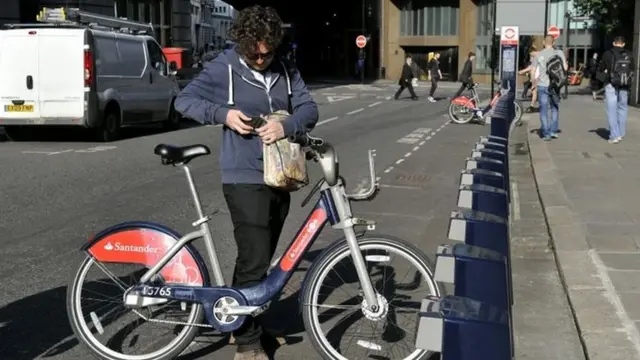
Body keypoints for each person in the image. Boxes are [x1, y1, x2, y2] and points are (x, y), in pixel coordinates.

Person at [174, 5, 319, 360]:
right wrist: (223, 114)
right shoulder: (225, 66)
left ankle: (250, 319)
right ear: (242, 42)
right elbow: (184, 100)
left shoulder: (285, 69)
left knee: (261, 257)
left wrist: (285, 126)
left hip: (281, 174)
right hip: (243, 175)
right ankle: (247, 340)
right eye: (254, 51)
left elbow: (309, 110)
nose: (260, 57)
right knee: (254, 259)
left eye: (267, 51)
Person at [599, 36, 633, 144]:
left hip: (611, 83)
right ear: (623, 44)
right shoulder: (629, 54)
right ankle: (621, 134)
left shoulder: (607, 54)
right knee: (622, 108)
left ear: (614, 43)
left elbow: (600, 68)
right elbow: (632, 69)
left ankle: (614, 135)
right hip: (624, 84)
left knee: (611, 109)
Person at [534, 34, 568, 141]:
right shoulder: (559, 53)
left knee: (543, 110)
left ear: (544, 43)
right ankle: (553, 131)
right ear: (554, 43)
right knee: (554, 108)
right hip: (555, 86)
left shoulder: (538, 54)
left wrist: (533, 82)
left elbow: (533, 70)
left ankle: (546, 133)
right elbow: (565, 68)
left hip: (542, 85)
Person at [519, 47, 539, 112]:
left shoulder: (537, 57)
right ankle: (532, 106)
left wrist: (522, 71)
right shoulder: (538, 56)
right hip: (536, 77)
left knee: (535, 91)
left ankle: (533, 107)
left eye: (530, 54)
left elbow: (531, 67)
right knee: (534, 92)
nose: (530, 55)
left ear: (532, 51)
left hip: (537, 77)